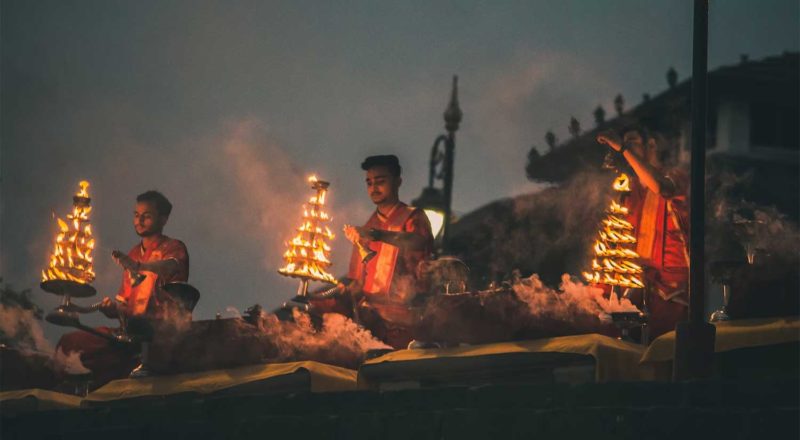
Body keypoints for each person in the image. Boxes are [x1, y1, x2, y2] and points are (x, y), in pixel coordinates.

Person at [56, 190, 189, 385]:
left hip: (159, 334)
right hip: (128, 335)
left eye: (147, 216)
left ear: (163, 219)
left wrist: (139, 267)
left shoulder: (173, 247)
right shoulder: (133, 254)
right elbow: (124, 306)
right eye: (136, 215)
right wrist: (112, 308)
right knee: (69, 344)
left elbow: (171, 266)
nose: (139, 220)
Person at [329, 155, 434, 349]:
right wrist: (333, 293)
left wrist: (377, 235)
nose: (373, 188)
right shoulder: (367, 228)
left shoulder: (413, 217)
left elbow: (418, 241)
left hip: (408, 324)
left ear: (398, 182)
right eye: (369, 183)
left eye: (380, 182)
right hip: (372, 327)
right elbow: (358, 284)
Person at [597, 129, 690, 338]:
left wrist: (623, 148)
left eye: (632, 142)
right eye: (625, 144)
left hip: (670, 291)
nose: (625, 149)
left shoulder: (675, 176)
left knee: (664, 349)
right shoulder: (628, 188)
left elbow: (660, 186)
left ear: (652, 146)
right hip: (635, 287)